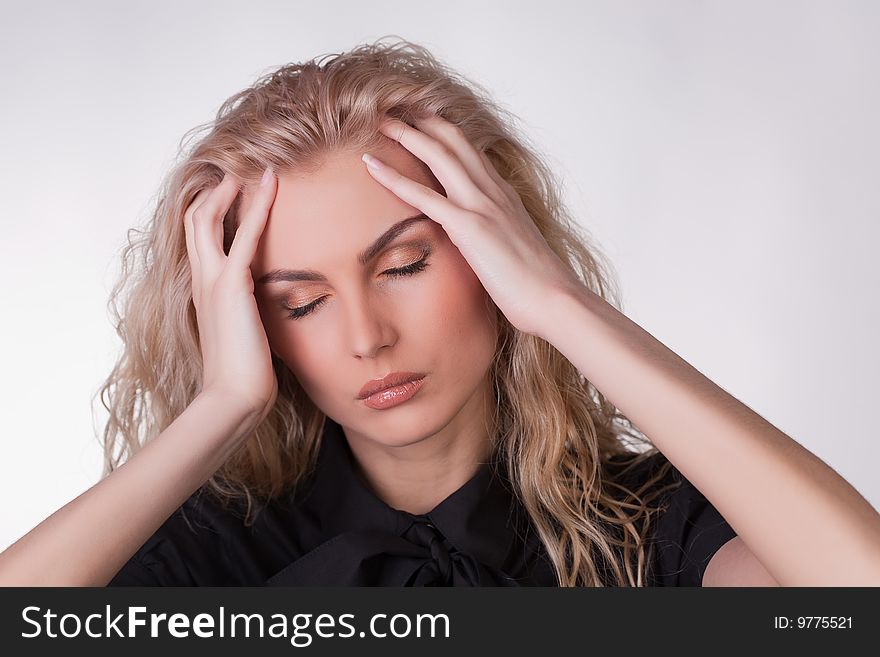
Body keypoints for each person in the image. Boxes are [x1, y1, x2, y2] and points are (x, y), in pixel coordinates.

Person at [1, 37, 878, 587]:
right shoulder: (220, 549)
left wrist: (560, 306)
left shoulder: (651, 527)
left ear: (497, 249)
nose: (367, 337)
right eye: (300, 302)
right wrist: (221, 407)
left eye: (406, 263)